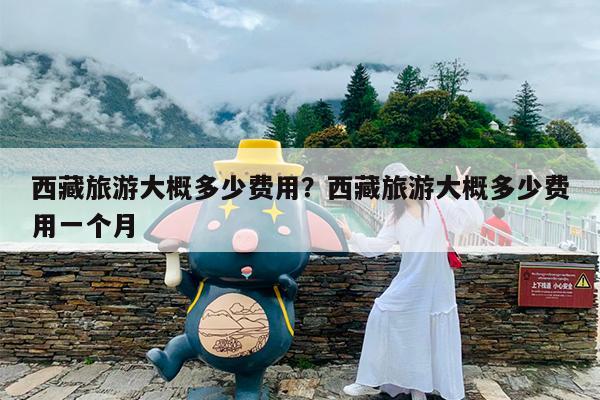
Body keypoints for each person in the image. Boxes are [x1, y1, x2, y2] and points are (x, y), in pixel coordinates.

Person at [338, 163, 483, 400]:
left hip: (437, 280)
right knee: (382, 313)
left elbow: (469, 223)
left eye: (407, 181)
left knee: (425, 331)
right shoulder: (396, 217)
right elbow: (378, 245)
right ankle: (369, 380)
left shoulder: (438, 203)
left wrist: (464, 191)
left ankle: (418, 389)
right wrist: (352, 235)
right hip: (411, 279)